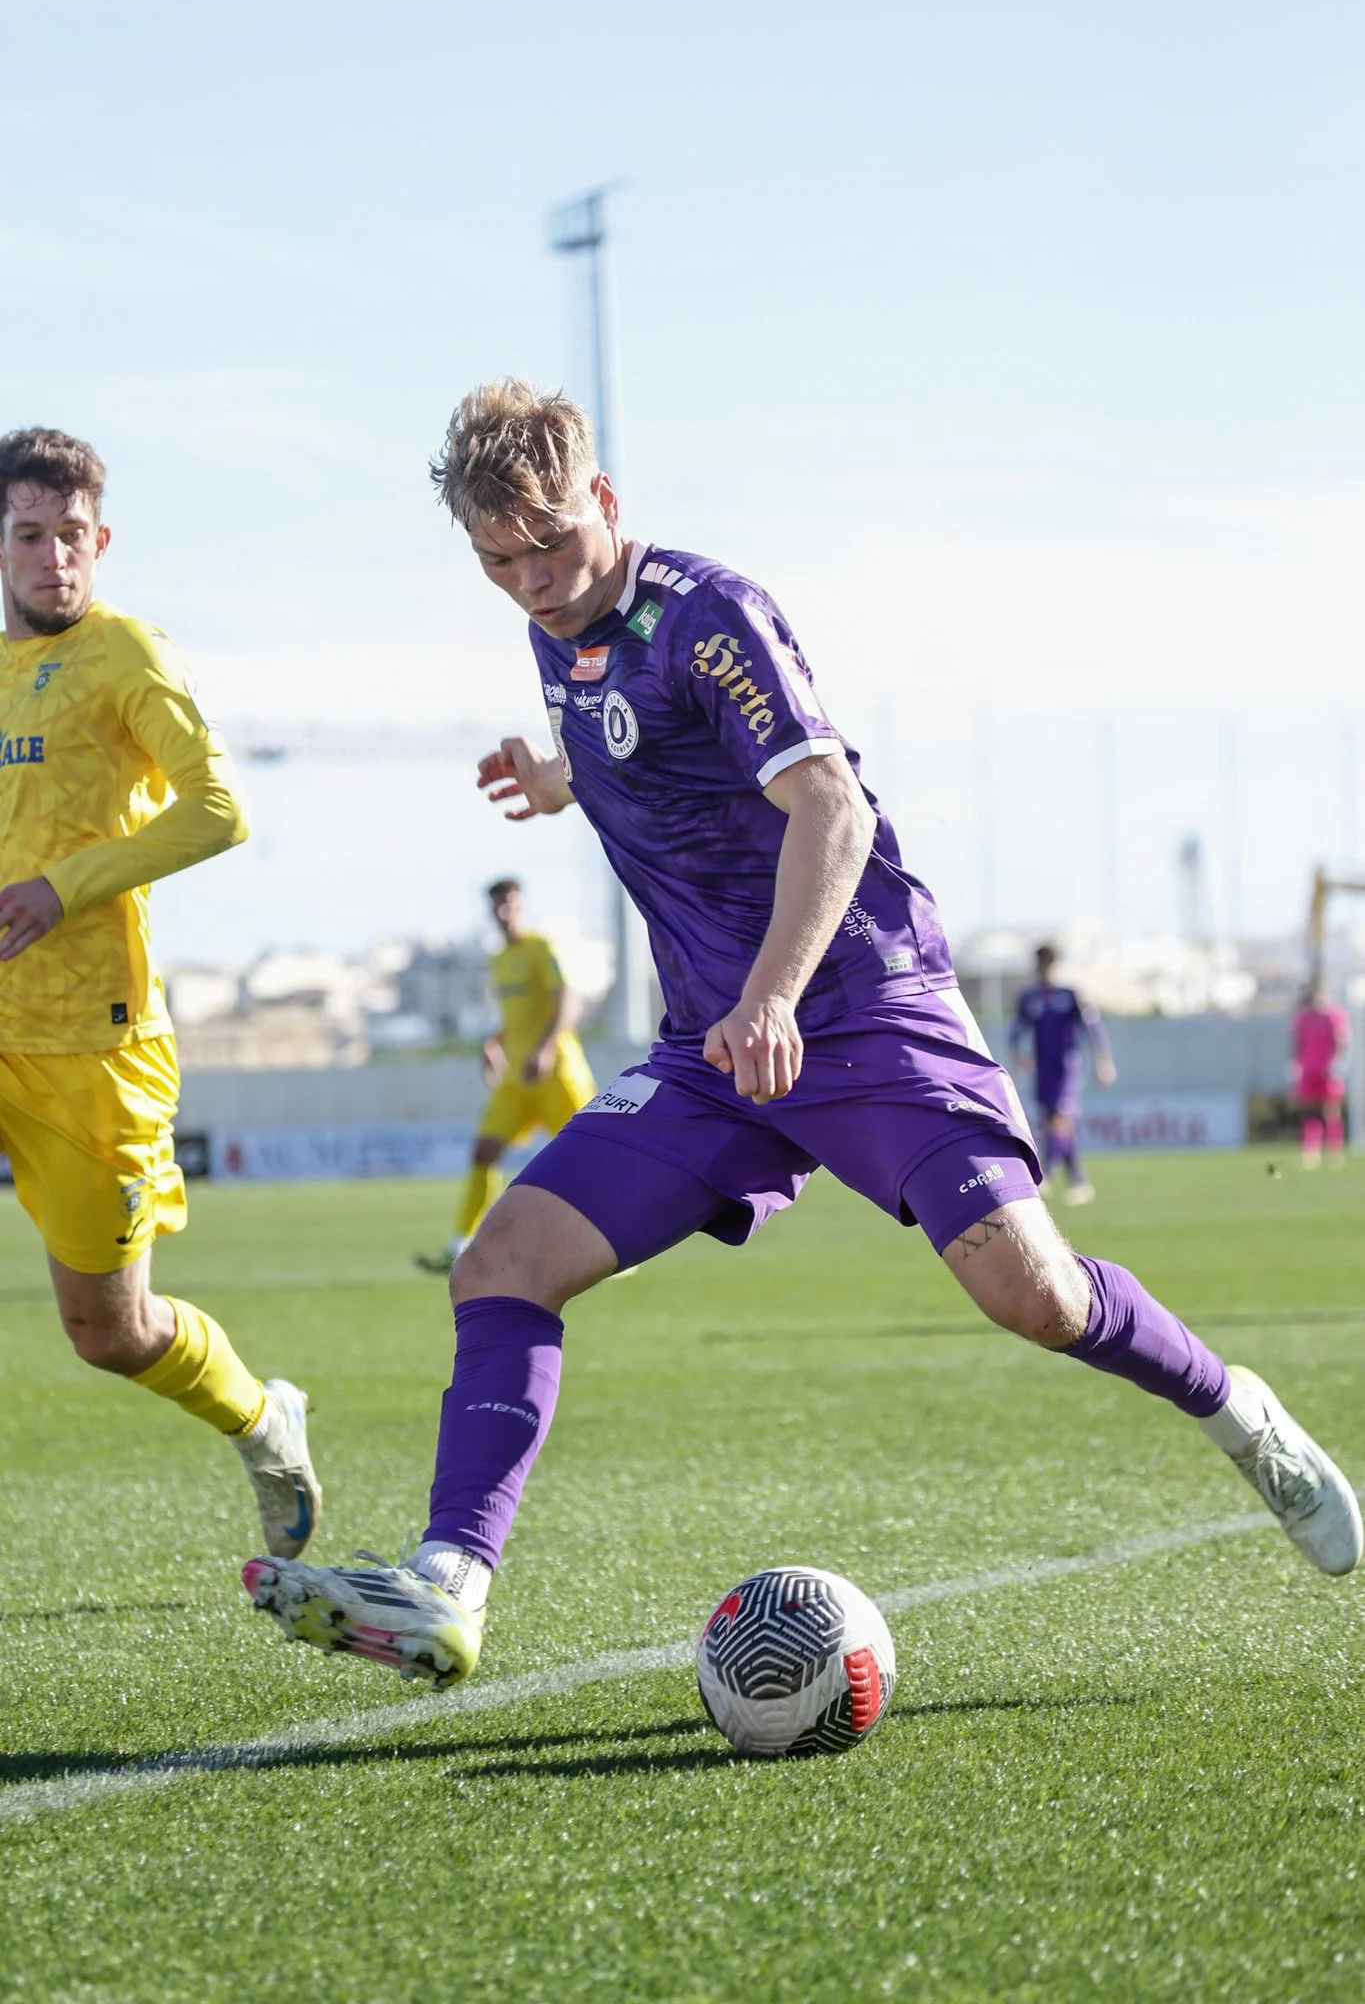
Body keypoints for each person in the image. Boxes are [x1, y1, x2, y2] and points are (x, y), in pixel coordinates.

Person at [243, 382, 1359, 1688]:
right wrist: (559, 779)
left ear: (604, 502)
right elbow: (628, 736)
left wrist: (773, 993)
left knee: (1035, 1298)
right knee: (500, 1264)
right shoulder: (559, 633)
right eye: (500, 561)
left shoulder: (710, 615)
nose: (533, 580)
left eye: (551, 543)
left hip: (862, 1010)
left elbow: (833, 810)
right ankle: (447, 1584)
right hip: (717, 1057)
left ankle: (1240, 1414)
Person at [0, 428, 321, 1560]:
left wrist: (62, 887)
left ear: (102, 539)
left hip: (94, 1049)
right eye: (30, 535)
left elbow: (217, 807)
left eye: (72, 536)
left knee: (111, 1329)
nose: (54, 558)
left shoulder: (126, 652)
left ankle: (259, 1415)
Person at [414, 877, 595, 1272]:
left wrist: (545, 1049)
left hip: (556, 1072)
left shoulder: (540, 947)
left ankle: (614, 1244)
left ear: (522, 905)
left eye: (509, 903)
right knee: (483, 1152)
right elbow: (518, 1017)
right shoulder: (499, 961)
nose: (503, 911)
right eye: (496, 905)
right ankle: (461, 1246)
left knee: (588, 1159)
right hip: (517, 1076)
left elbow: (567, 1002)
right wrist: (493, 1042)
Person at [1009, 943, 1115, 1205]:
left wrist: (1104, 1061)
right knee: (1052, 1123)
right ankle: (1079, 1182)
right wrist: (1018, 1055)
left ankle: (1045, 1174)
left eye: (1050, 963)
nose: (1046, 968)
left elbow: (1093, 1029)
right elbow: (1016, 1030)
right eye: (1042, 963)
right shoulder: (1030, 997)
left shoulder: (1072, 995)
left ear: (1057, 964)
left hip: (1067, 1067)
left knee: (1060, 1120)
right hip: (1044, 1069)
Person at [1291, 979, 1349, 1169]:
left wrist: (1338, 1063)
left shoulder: (1335, 1015)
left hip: (1328, 1069)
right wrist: (1295, 1065)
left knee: (1330, 1109)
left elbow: (1342, 1040)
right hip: (1309, 1069)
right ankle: (1311, 1150)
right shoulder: (1303, 1017)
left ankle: (1334, 1150)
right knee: (1309, 1110)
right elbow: (1297, 1043)